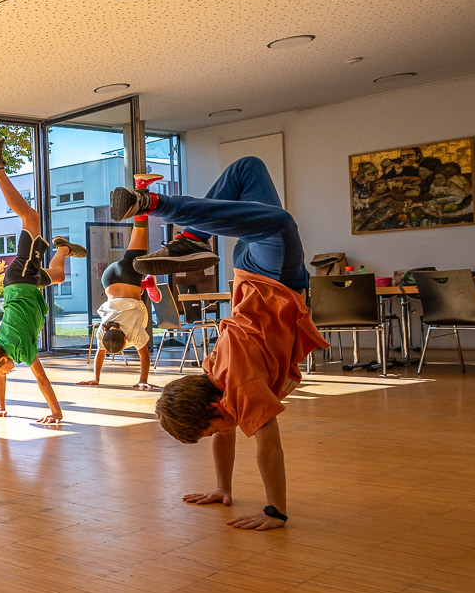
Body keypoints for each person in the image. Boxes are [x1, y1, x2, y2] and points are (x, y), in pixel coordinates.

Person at [118, 156, 325, 531]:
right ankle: (192, 240)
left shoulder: (240, 388)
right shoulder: (213, 376)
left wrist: (274, 511)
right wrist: (221, 488)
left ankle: (153, 205)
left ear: (216, 406)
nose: (219, 434)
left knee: (278, 222)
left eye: (211, 428)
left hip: (274, 279)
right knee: (247, 168)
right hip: (246, 271)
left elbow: (270, 448)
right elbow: (225, 432)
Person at [0, 137, 83, 426]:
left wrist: (56, 413)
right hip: (27, 283)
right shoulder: (0, 346)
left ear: (2, 360)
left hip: (21, 278)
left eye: (4, 371)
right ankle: (63, 247)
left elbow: (42, 380)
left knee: (31, 217)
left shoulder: (20, 349)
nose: (7, 374)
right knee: (59, 275)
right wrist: (1, 407)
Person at [80, 173, 164, 391]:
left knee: (141, 232)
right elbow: (100, 354)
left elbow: (145, 358)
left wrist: (143, 380)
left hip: (129, 277)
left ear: (125, 341)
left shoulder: (133, 335)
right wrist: (95, 378)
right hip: (109, 279)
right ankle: (147, 286)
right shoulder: (103, 332)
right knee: (136, 239)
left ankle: (141, 186)